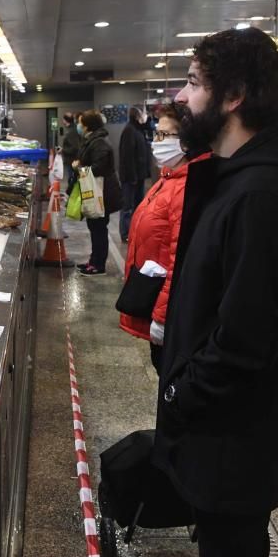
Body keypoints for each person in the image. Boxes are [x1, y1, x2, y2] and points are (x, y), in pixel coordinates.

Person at [153, 27, 278, 557]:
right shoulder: (237, 177)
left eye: (192, 83)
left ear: (233, 96)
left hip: (234, 435)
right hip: (222, 428)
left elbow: (245, 337)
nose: (181, 99)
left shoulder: (265, 195)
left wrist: (181, 393)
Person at [118, 105, 210, 371]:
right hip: (152, 296)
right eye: (156, 135)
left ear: (186, 143)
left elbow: (179, 258)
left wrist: (161, 316)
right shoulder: (167, 179)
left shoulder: (185, 189)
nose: (156, 143)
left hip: (169, 312)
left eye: (164, 136)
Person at [72, 110, 121, 276]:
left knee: (99, 228)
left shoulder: (99, 142)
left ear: (87, 125)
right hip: (96, 191)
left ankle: (98, 265)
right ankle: (94, 260)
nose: (79, 126)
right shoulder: (92, 140)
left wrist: (78, 167)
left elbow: (99, 167)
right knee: (95, 227)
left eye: (80, 123)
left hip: (102, 193)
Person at [117, 106, 152, 243]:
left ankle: (135, 230)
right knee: (127, 207)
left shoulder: (139, 130)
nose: (146, 115)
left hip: (139, 175)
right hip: (131, 177)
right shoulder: (129, 130)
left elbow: (149, 130)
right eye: (143, 113)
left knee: (138, 205)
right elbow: (127, 156)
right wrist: (132, 177)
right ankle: (125, 233)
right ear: (137, 115)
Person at [58, 113, 82, 190]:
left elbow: (75, 147)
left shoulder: (72, 131)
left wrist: (63, 150)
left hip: (72, 160)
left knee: (72, 180)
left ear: (65, 120)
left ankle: (72, 195)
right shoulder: (73, 129)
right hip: (73, 160)